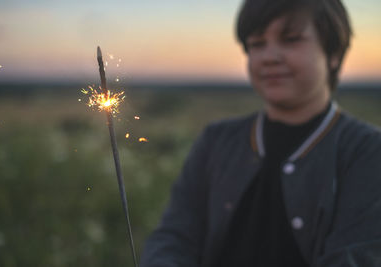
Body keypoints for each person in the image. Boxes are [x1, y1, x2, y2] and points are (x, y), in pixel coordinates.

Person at [140, 0, 381, 266]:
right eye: (257, 44)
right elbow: (174, 237)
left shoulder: (367, 151)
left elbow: (355, 256)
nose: (269, 56)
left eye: (290, 39)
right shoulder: (216, 140)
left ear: (333, 53)